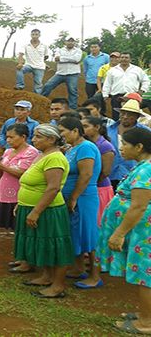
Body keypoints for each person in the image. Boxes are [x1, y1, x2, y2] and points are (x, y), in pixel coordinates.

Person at [95, 128, 151, 334]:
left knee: (146, 275)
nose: (121, 148)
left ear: (139, 147)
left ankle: (146, 323)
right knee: (144, 274)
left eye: (125, 144)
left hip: (142, 232)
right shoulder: (142, 166)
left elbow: (139, 206)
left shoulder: (146, 170)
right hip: (140, 230)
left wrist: (119, 233)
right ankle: (146, 314)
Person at [14, 124, 73, 298]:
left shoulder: (54, 158)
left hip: (48, 210)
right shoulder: (42, 155)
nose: (33, 140)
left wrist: (36, 212)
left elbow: (53, 188)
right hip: (34, 206)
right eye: (34, 136)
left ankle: (58, 286)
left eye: (38, 137)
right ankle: (47, 276)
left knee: (54, 245)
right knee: (42, 242)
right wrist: (22, 203)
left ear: (51, 139)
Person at [0, 124, 39, 272]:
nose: (8, 140)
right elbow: (2, 172)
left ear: (23, 137)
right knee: (18, 230)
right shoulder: (8, 151)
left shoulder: (31, 152)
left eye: (11, 137)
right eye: (7, 137)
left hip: (19, 195)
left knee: (23, 229)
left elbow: (22, 173)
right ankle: (22, 258)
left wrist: (0, 165)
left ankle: (28, 261)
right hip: (6, 195)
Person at [73, 116, 116, 290]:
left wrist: (85, 185)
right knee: (83, 230)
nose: (83, 129)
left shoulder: (104, 146)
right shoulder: (83, 145)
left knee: (93, 231)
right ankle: (81, 267)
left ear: (97, 127)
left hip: (98, 190)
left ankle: (97, 269)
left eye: (86, 126)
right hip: (88, 190)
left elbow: (104, 172)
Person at [57, 118, 101, 282]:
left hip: (83, 198)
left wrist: (74, 197)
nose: (61, 134)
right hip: (74, 197)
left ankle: (95, 276)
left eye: (63, 131)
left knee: (89, 234)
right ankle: (78, 268)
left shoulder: (86, 148)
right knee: (76, 232)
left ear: (75, 131)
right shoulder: (72, 148)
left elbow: (86, 174)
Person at [107, 100, 151, 191]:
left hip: (135, 175)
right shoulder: (109, 130)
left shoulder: (145, 132)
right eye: (123, 113)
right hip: (110, 174)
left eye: (130, 114)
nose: (125, 117)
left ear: (137, 117)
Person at [102, 52, 150, 121]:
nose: (124, 59)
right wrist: (105, 95)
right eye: (122, 57)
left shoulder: (137, 69)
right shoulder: (112, 70)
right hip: (116, 97)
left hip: (132, 97)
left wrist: (141, 91)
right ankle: (118, 131)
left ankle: (131, 131)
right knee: (116, 117)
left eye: (126, 57)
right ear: (119, 59)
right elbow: (107, 83)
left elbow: (146, 80)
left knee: (131, 117)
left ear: (130, 59)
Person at [41, 37, 83, 110]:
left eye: (72, 41)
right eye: (68, 41)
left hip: (73, 74)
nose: (70, 42)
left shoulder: (78, 50)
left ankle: (72, 109)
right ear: (65, 42)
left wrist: (62, 58)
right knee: (48, 85)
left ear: (74, 42)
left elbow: (77, 59)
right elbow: (57, 59)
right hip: (60, 73)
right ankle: (41, 101)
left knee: (72, 91)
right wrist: (70, 59)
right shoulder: (59, 50)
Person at [14, 29, 50, 93]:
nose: (34, 36)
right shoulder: (26, 45)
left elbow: (46, 56)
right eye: (33, 34)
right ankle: (20, 85)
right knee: (20, 69)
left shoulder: (44, 46)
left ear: (39, 35)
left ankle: (37, 96)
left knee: (38, 84)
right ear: (31, 35)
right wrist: (20, 63)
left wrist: (42, 62)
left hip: (39, 67)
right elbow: (21, 55)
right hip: (29, 65)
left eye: (36, 34)